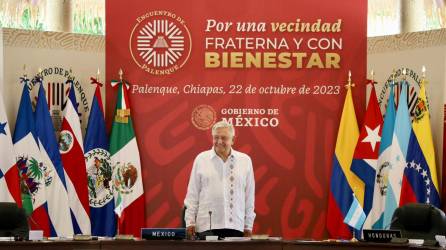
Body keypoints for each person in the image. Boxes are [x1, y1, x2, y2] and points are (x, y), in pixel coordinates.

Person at [184, 120, 256, 239]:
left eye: (224, 138)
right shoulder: (201, 159)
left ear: (232, 140)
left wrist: (248, 226)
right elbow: (193, 194)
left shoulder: (245, 161)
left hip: (236, 227)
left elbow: (249, 197)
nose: (219, 141)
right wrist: (190, 222)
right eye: (216, 137)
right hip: (206, 227)